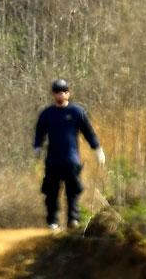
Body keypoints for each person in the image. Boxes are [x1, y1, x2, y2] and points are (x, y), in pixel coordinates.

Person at [32, 78, 104, 230]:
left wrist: (97, 149)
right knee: (51, 192)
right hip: (53, 160)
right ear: (53, 94)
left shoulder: (77, 112)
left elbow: (88, 132)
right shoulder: (47, 114)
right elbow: (39, 132)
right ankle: (53, 221)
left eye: (64, 91)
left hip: (71, 160)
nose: (61, 94)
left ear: (69, 93)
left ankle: (73, 220)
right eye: (58, 91)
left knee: (73, 192)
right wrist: (37, 147)